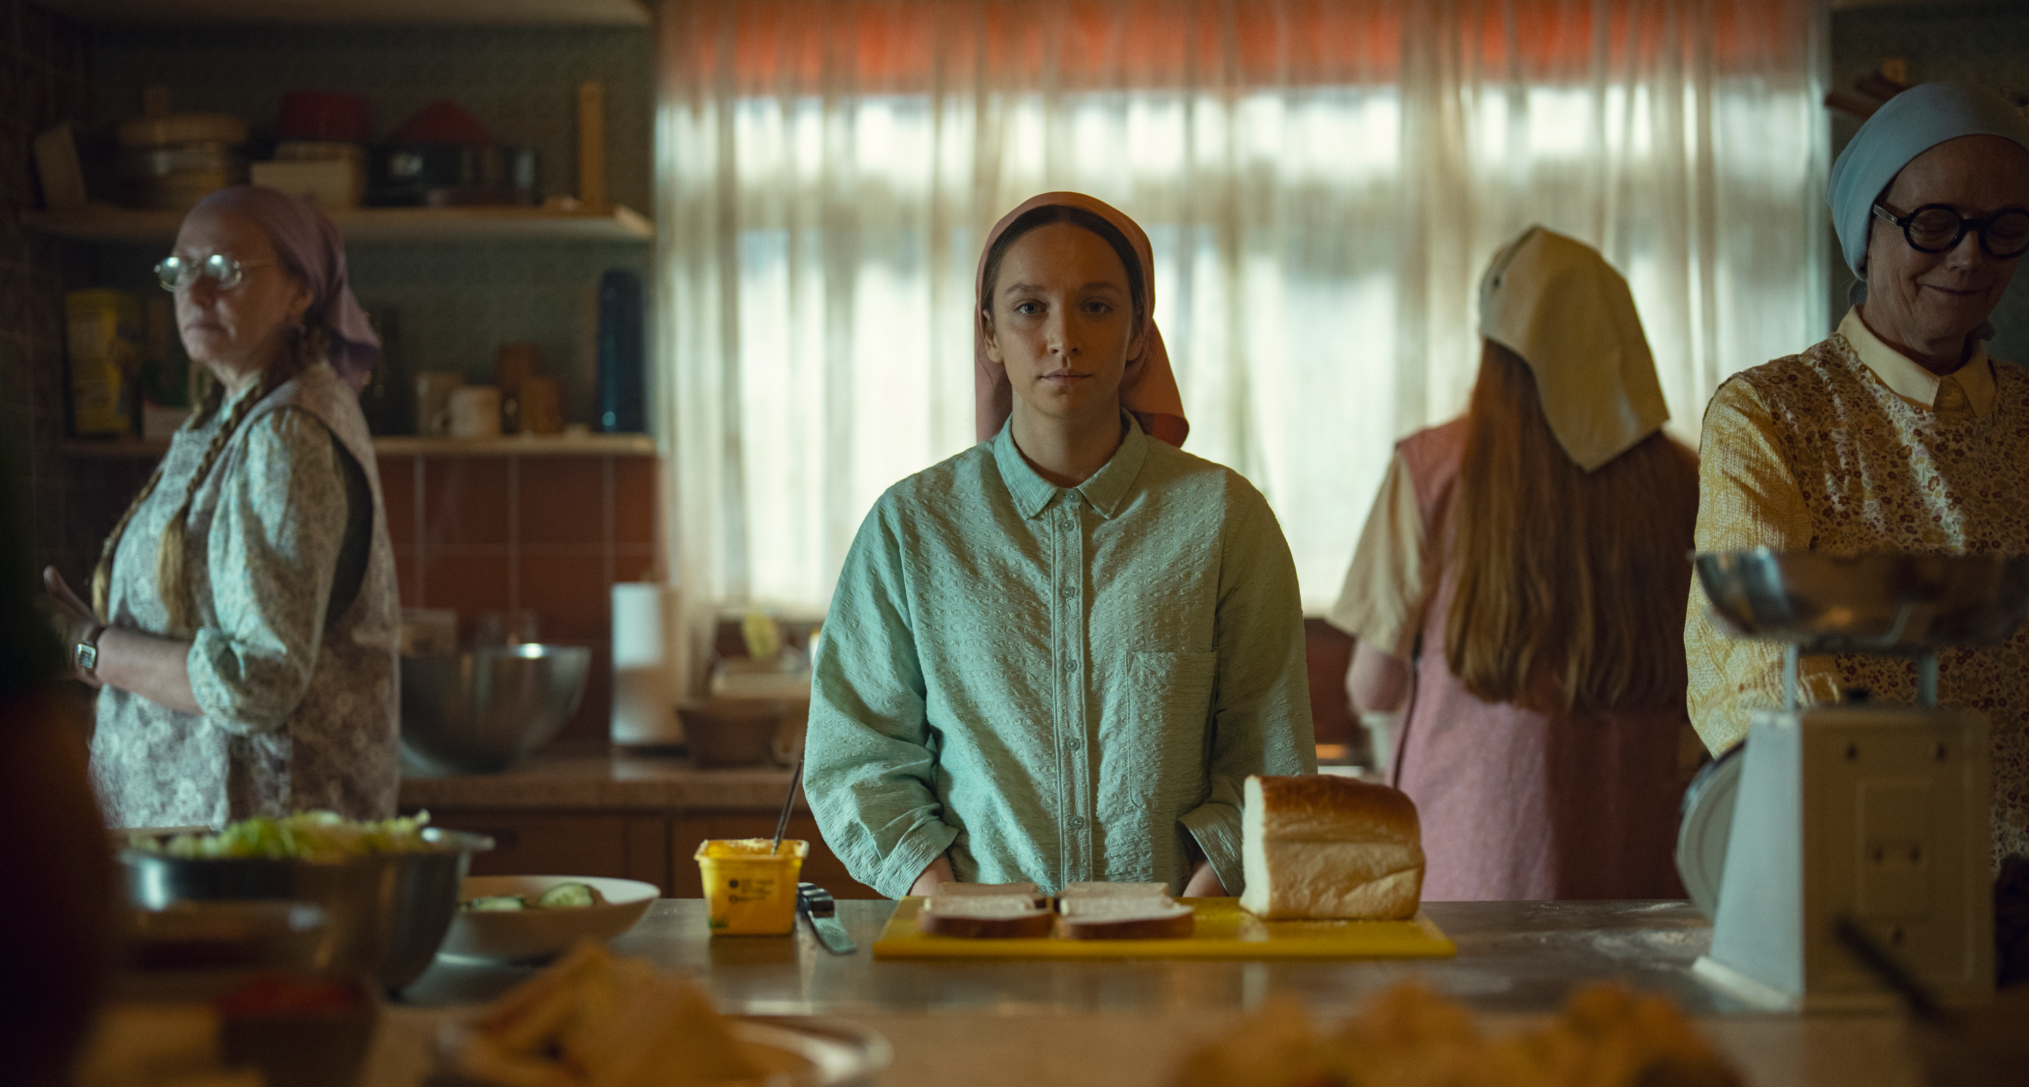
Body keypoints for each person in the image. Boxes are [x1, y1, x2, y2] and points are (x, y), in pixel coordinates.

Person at [806, 192, 1316, 900]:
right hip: (976, 962)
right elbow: (856, 754)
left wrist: (1190, 907)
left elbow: (1268, 755)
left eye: (1097, 307)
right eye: (1028, 307)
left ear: (1139, 332)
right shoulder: (910, 528)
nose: (1062, 338)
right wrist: (942, 896)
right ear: (987, 333)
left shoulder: (1225, 520)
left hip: (1178, 962)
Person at [1685, 81, 2029, 865]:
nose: (1968, 257)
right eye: (1934, 224)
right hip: (1851, 857)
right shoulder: (1770, 415)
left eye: (2002, 228)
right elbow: (1752, 667)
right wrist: (1864, 825)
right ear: (1867, 233)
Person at [1328, 226, 1698, 901]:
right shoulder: (1685, 479)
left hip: (1466, 871)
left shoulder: (1430, 471)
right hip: (1640, 869)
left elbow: (1369, 687)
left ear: (1493, 347)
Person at [42, 185, 401, 829]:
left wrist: (90, 649)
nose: (195, 293)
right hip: (210, 855)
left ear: (300, 292)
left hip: (254, 862)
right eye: (180, 271)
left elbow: (254, 681)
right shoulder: (233, 418)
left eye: (224, 271)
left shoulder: (285, 435)